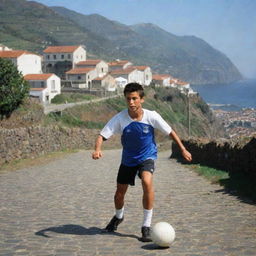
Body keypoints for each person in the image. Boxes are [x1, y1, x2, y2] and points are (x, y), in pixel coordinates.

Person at [92, 82, 192, 242]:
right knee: (119, 194)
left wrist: (183, 149)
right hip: (128, 160)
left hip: (147, 156)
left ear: (142, 99)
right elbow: (102, 135)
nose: (131, 102)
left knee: (147, 181)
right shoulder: (120, 118)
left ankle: (146, 226)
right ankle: (119, 217)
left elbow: (170, 132)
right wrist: (98, 149)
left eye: (134, 98)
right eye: (128, 99)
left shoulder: (151, 116)